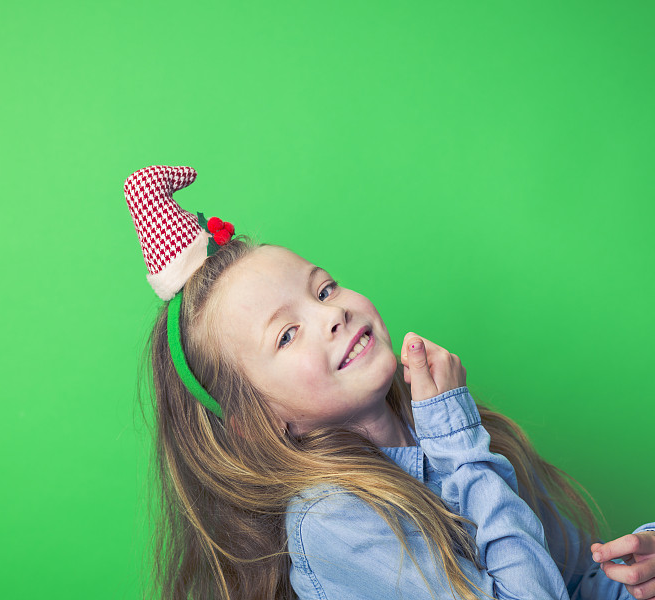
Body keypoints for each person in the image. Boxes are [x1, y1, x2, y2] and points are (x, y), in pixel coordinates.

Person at [124, 165, 655, 600]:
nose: (331, 315)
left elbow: (567, 580)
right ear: (251, 423)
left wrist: (632, 579)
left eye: (325, 289)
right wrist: (457, 440)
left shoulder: (451, 430)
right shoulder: (332, 520)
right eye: (286, 335)